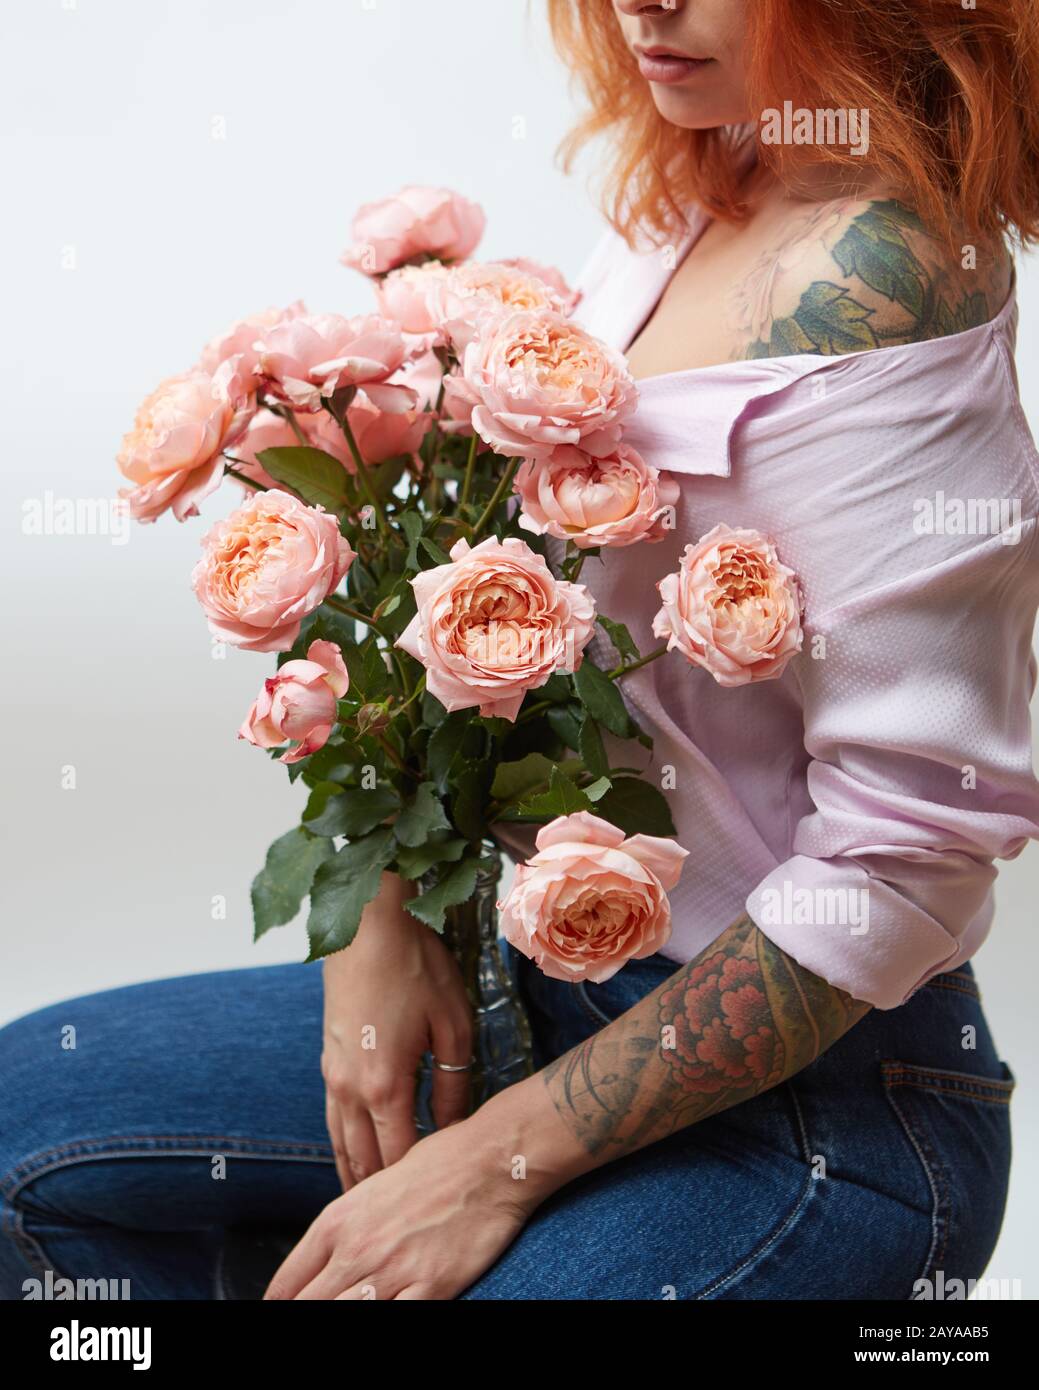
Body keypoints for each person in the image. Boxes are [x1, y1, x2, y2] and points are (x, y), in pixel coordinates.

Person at [2, 0, 1038, 1300]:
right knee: (18, 1131)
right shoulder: (703, 188)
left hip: (817, 1113)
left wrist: (494, 1162)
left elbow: (903, 861)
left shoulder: (891, 295)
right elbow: (478, 576)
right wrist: (376, 920)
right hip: (522, 999)